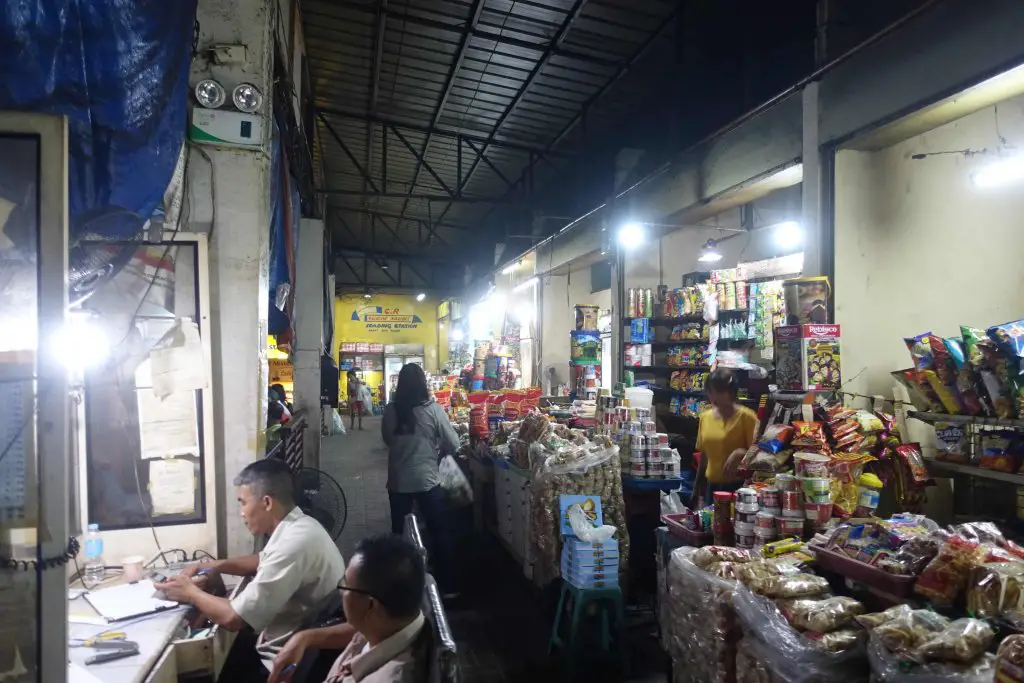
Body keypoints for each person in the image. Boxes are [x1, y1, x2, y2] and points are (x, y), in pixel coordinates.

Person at [155, 459, 346, 681]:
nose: (242, 513)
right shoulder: (302, 525)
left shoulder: (294, 544)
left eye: (243, 503)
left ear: (266, 502)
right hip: (290, 644)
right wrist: (209, 565)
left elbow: (233, 618)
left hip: (282, 663)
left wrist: (191, 592)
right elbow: (260, 560)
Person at [269, 534, 428, 683]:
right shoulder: (391, 624)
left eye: (345, 585)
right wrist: (304, 638)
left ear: (370, 606)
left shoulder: (388, 677)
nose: (341, 592)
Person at [382, 363, 460, 596]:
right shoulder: (433, 409)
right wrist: (435, 447)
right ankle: (447, 587)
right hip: (427, 481)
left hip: (398, 482)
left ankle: (400, 587)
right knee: (439, 532)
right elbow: (454, 444)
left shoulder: (391, 410)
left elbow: (387, 440)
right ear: (423, 385)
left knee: (399, 535)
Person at [691, 368, 759, 506]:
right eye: (710, 391)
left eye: (717, 391)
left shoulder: (747, 417)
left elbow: (757, 453)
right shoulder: (705, 417)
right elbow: (704, 457)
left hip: (739, 488)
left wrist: (740, 453)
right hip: (712, 488)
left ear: (730, 392)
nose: (712, 396)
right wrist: (696, 488)